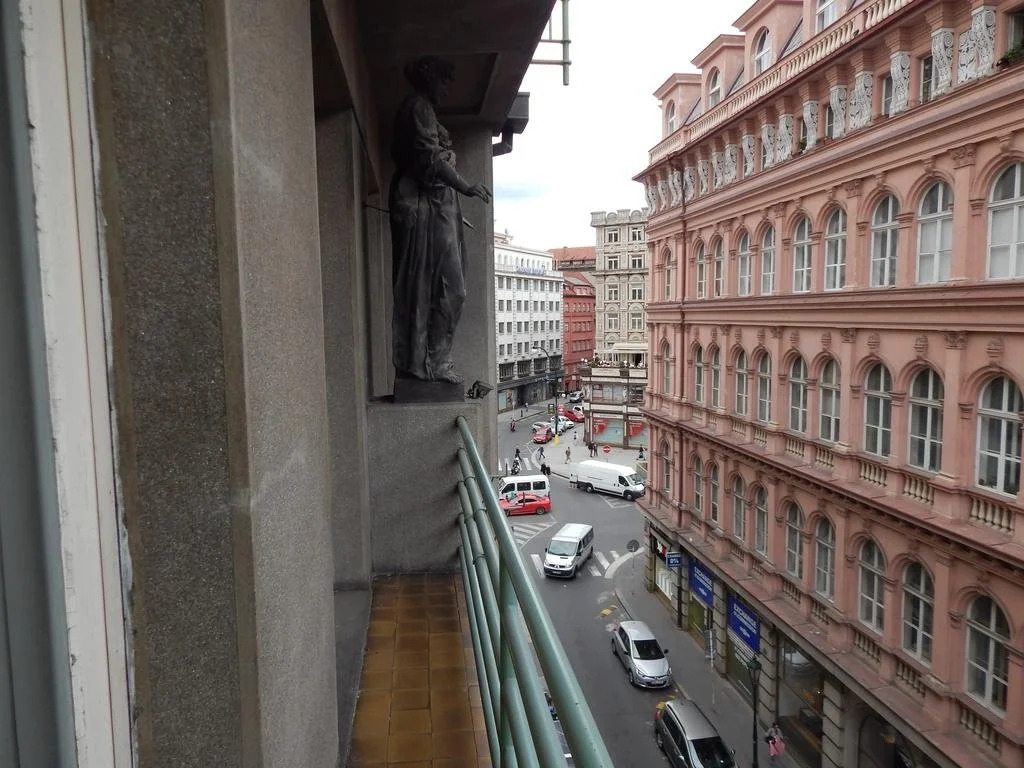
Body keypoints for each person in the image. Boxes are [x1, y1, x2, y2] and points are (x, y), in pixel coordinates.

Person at [390, 56, 492, 385]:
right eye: (444, 81)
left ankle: (433, 361)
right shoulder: (418, 107)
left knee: (440, 287)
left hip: (436, 207)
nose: (447, 89)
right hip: (425, 207)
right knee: (441, 287)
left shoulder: (424, 110)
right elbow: (430, 160)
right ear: (428, 78)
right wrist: (466, 186)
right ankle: (429, 363)